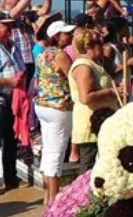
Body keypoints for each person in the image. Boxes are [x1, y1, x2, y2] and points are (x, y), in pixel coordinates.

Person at [34, 20, 75, 205]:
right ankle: (54, 198)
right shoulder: (60, 55)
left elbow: (37, 80)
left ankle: (47, 195)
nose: (70, 36)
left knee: (48, 150)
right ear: (57, 36)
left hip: (43, 105)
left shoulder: (42, 54)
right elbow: (73, 79)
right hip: (59, 106)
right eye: (66, 33)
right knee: (56, 152)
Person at [69, 29, 122, 170]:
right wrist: (111, 92)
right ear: (88, 46)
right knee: (89, 169)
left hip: (101, 123)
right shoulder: (84, 67)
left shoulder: (95, 64)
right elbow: (86, 97)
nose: (103, 46)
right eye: (99, 43)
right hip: (91, 125)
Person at [0, 17, 27, 192]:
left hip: (14, 99)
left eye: (11, 26)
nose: (9, 29)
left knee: (10, 139)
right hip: (2, 98)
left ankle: (11, 177)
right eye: (5, 26)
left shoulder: (13, 46)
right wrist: (9, 82)